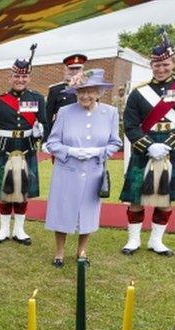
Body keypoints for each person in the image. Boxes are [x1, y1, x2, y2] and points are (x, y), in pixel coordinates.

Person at [119, 32, 175, 256]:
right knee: (136, 197)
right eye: (156, 64)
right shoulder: (138, 92)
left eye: (165, 64)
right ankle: (133, 240)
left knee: (166, 198)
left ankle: (156, 241)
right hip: (145, 146)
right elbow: (130, 124)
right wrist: (148, 146)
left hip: (173, 147)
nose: (160, 69)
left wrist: (169, 145)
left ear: (174, 62)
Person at [44, 69, 122, 266]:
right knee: (62, 210)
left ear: (98, 92)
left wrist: (98, 152)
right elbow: (52, 143)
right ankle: (59, 252)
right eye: (81, 91)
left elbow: (115, 143)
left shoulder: (110, 113)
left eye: (90, 91)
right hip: (67, 170)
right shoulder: (64, 112)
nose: (85, 95)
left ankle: (82, 251)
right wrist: (70, 151)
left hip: (93, 171)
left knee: (88, 212)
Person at [0, 55, 47, 245]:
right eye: (16, 76)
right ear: (10, 77)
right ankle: (4, 229)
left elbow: (45, 124)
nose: (20, 80)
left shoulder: (37, 99)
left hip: (26, 149)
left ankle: (19, 230)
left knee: (23, 189)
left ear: (29, 78)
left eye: (24, 77)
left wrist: (41, 132)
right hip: (3, 149)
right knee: (3, 191)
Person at [44, 53, 88, 141]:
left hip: (85, 134)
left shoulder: (90, 89)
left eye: (78, 68)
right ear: (65, 70)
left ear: (82, 70)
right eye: (71, 68)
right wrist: (46, 139)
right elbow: (48, 117)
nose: (75, 72)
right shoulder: (56, 90)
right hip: (62, 135)